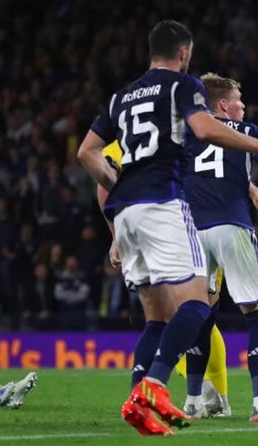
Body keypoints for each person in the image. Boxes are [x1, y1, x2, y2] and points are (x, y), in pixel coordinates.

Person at [77, 20, 258, 435]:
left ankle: (139, 398)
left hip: (127, 213)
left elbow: (87, 152)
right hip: (165, 205)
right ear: (184, 53)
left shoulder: (121, 96)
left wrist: (120, 192)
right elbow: (205, 128)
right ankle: (155, 386)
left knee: (157, 317)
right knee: (196, 303)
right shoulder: (183, 86)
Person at [183, 73, 258, 422]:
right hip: (231, 226)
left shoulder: (188, 132)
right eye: (239, 100)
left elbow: (207, 172)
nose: (243, 106)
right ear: (223, 105)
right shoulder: (246, 131)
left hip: (192, 231)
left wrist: (252, 191)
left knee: (201, 313)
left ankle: (192, 401)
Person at [98, 145, 232, 418]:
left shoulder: (123, 128)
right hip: (180, 223)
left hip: (137, 222)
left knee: (161, 320)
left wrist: (116, 232)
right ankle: (186, 389)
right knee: (197, 310)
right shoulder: (183, 124)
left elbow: (93, 163)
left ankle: (146, 398)